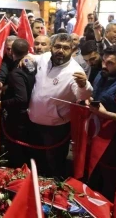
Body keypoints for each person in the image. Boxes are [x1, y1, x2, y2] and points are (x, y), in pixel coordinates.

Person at [26, 33, 93, 177]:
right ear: (51, 47)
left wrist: (84, 85)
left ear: (73, 50)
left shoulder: (75, 71)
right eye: (57, 46)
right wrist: (27, 58)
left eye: (65, 48)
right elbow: (34, 58)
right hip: (33, 121)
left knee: (54, 164)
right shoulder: (45, 58)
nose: (60, 51)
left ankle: (53, 193)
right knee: (36, 159)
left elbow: (82, 96)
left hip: (55, 127)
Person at [88, 44, 116, 200]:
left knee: (108, 176)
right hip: (96, 133)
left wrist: (106, 114)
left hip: (115, 139)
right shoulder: (101, 74)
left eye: (110, 63)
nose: (104, 65)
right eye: (103, 61)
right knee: (93, 171)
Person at [0, 39, 36, 168]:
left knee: (17, 151)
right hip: (29, 114)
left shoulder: (15, 73)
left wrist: (2, 103)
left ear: (12, 52)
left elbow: (21, 98)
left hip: (18, 118)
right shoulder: (30, 64)